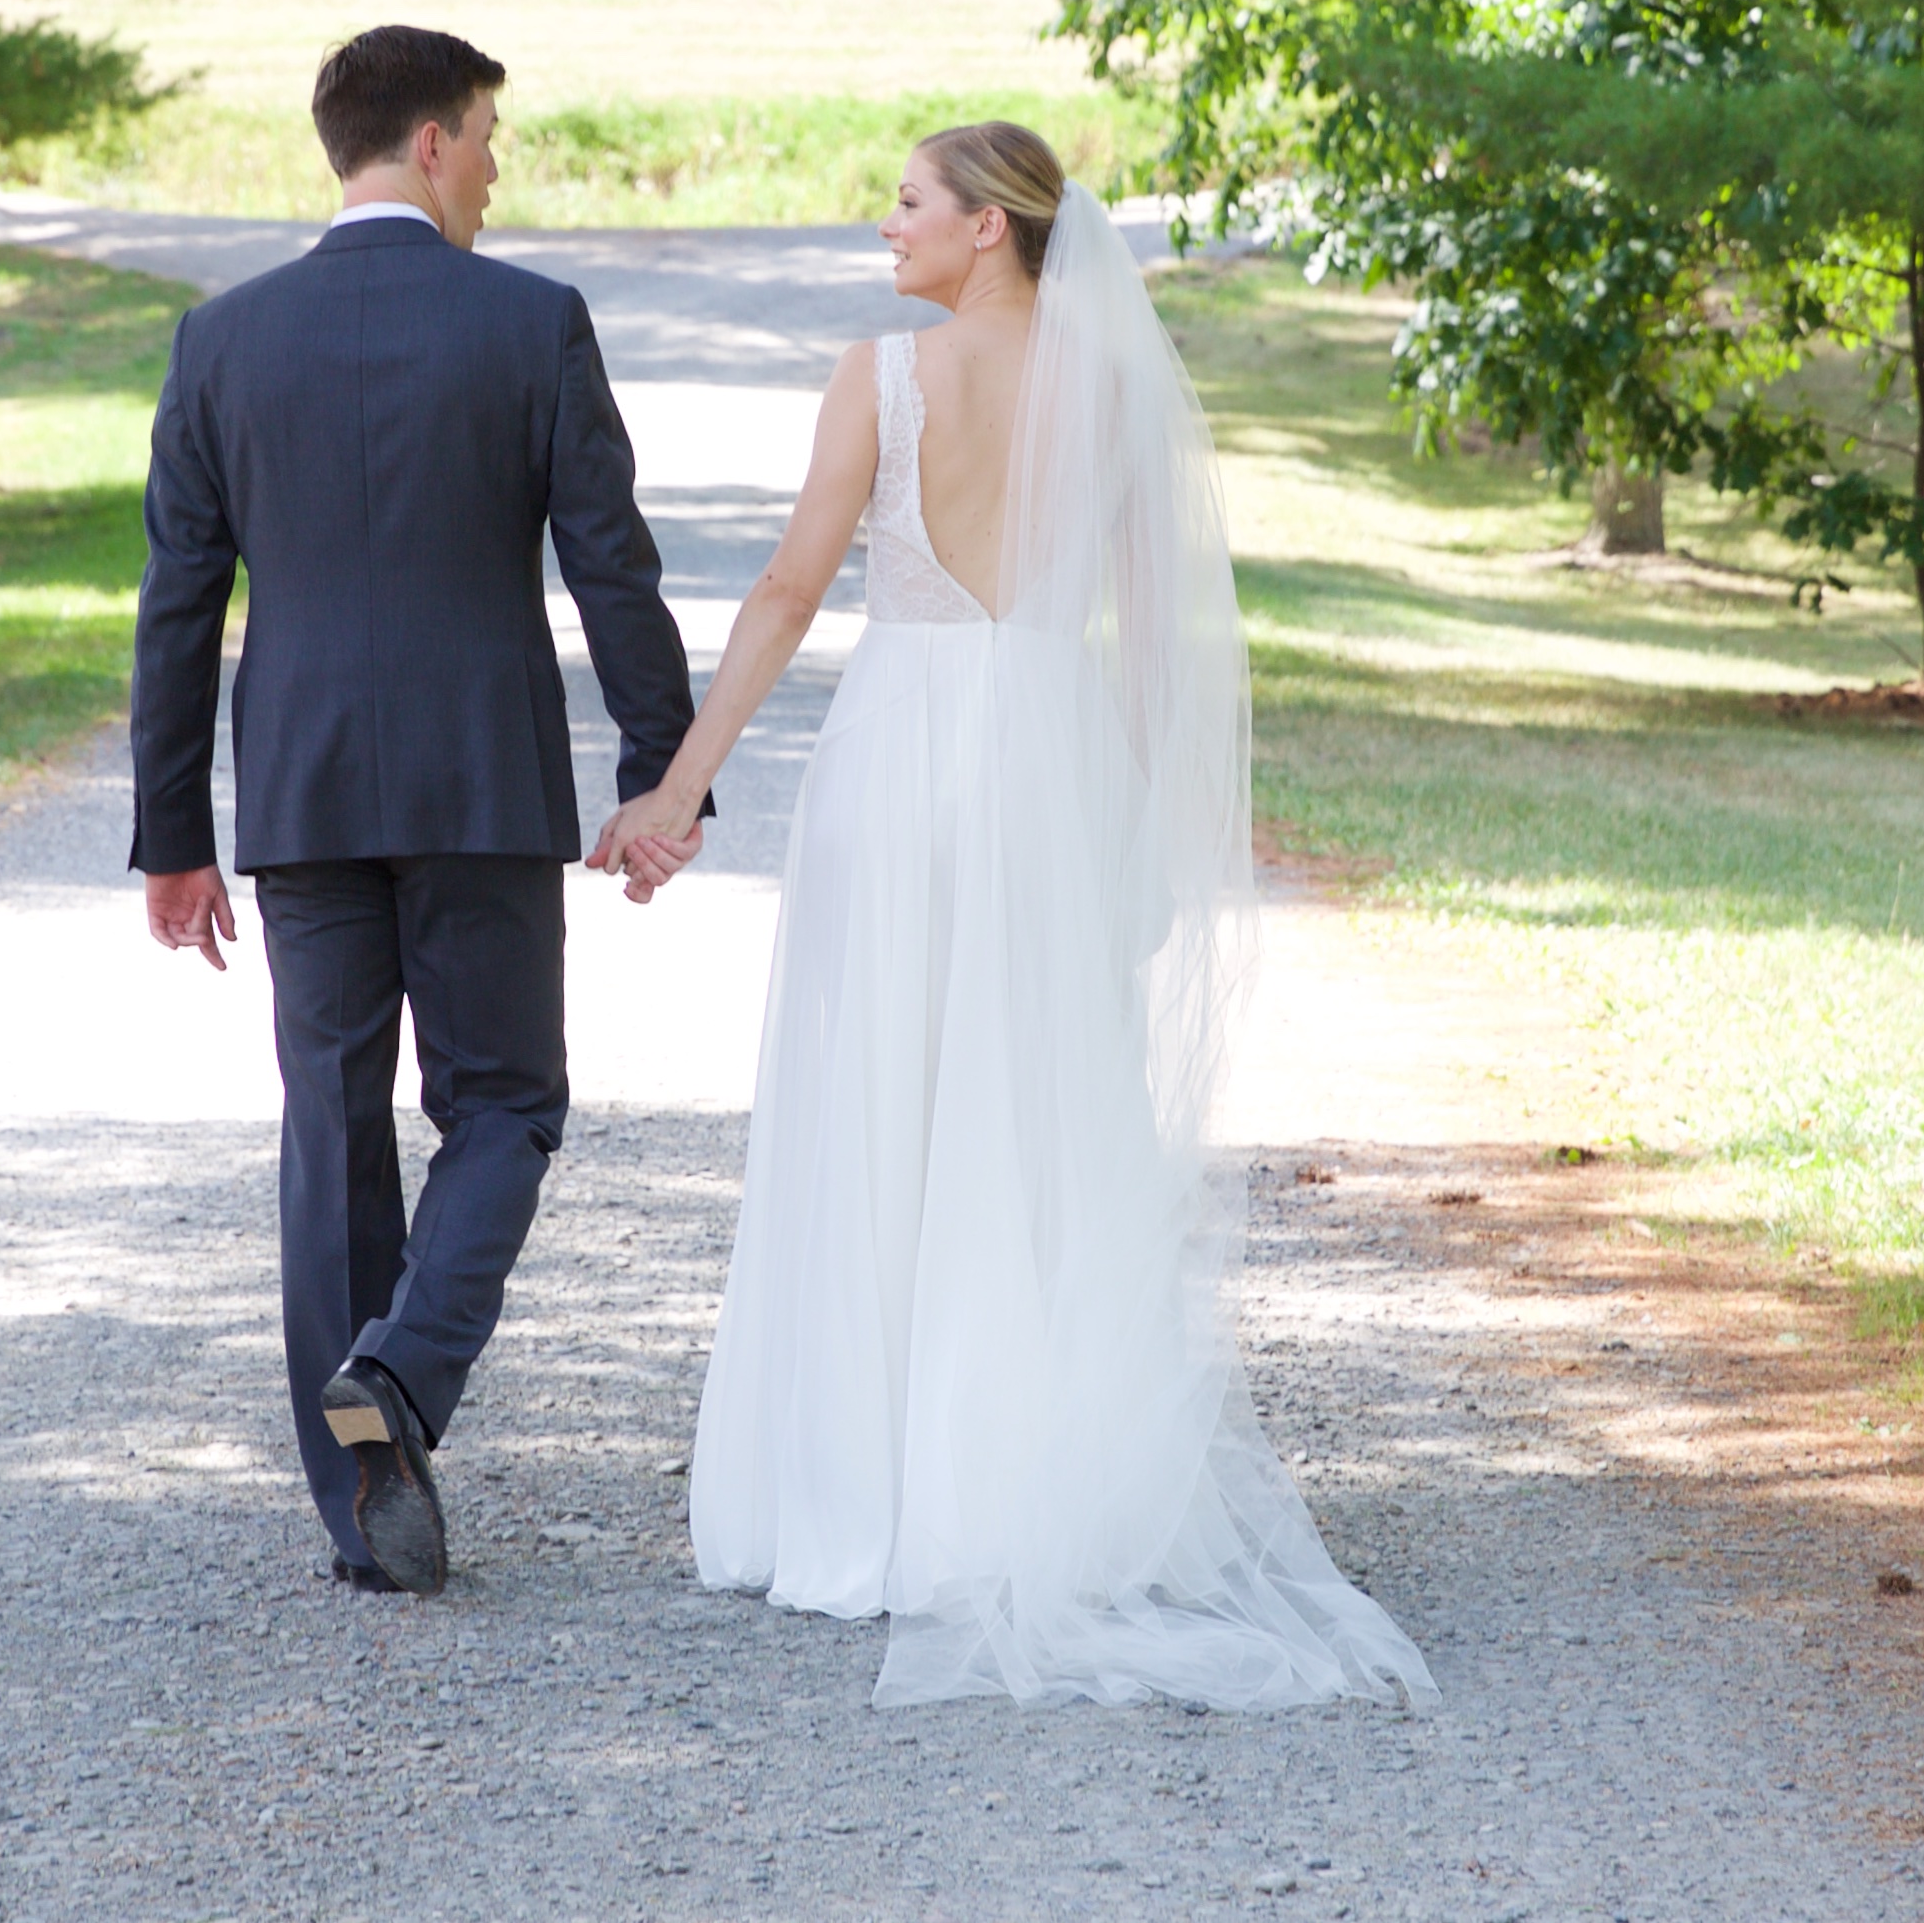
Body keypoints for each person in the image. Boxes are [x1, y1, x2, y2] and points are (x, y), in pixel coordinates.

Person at [592, 123, 1435, 1709]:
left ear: (989, 229)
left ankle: (867, 1503)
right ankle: (1034, 1490)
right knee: (1040, 1119)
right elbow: (1154, 643)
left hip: (903, 759)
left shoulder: (883, 379)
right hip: (1049, 764)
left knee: (879, 1101)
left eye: (907, 204)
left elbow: (785, 593)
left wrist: (677, 793)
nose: (885, 230)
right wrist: (1136, 821)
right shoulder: (1116, 392)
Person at [129, 24, 709, 1597]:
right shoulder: (531, 325)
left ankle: (363, 1515)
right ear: (437, 142)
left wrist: (171, 831)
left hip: (304, 797)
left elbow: (179, 604)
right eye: (493, 144)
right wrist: (665, 770)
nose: (497, 176)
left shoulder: (224, 342)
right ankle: (401, 1376)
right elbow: (613, 566)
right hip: (480, 784)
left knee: (330, 1129)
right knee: (504, 1105)